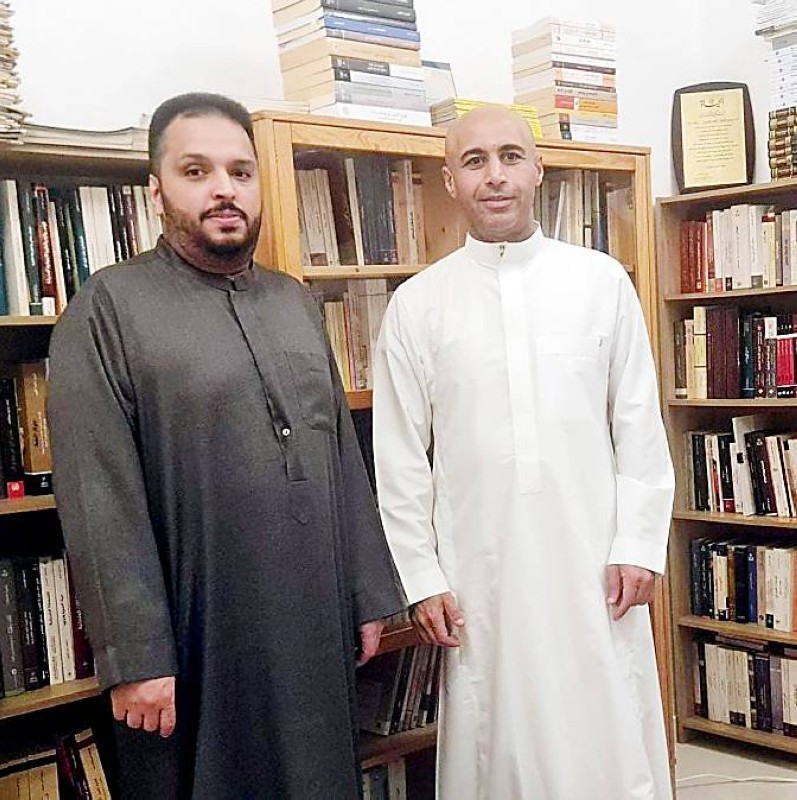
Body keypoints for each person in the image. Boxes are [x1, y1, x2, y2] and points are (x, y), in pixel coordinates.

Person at [48, 92, 403, 799]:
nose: (224, 189)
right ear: (157, 192)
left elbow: (339, 452)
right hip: (195, 634)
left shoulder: (294, 300)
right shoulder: (106, 309)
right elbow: (97, 495)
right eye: (196, 171)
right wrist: (137, 657)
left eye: (241, 172)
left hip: (311, 619)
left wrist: (366, 593)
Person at [372, 106, 675, 799]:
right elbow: (399, 458)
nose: (495, 176)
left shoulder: (601, 282)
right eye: (474, 161)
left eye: (510, 156)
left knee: (607, 725)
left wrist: (638, 545)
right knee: (496, 737)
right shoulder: (417, 306)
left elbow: (637, 424)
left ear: (538, 169)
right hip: (480, 569)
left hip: (595, 560)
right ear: (449, 180)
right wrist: (420, 576)